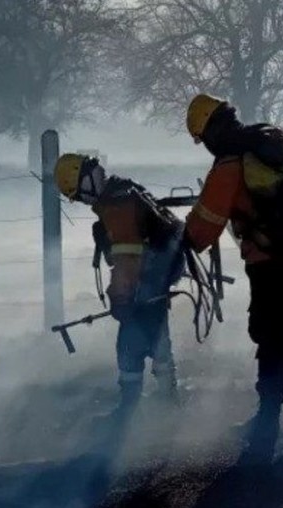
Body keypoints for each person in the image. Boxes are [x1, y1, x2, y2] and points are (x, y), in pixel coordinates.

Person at [183, 94, 283, 459]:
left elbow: (201, 231)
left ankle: (267, 419)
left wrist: (178, 241)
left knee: (272, 339)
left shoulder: (228, 164)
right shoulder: (275, 137)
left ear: (208, 134)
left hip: (270, 263)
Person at [54, 154, 185, 441]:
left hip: (146, 279)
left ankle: (132, 408)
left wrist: (120, 297)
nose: (82, 202)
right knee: (156, 335)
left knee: (129, 343)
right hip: (158, 276)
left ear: (85, 182)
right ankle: (168, 399)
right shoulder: (122, 190)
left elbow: (126, 258)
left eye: (78, 195)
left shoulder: (117, 206)